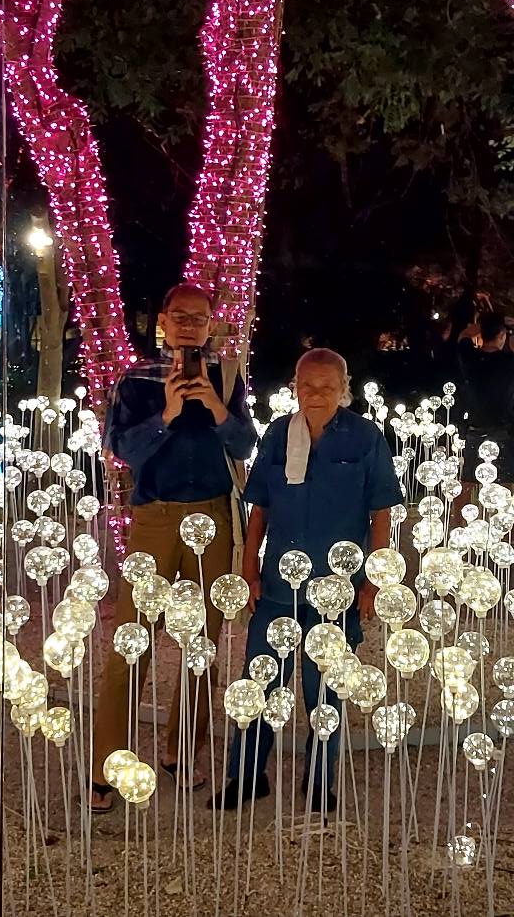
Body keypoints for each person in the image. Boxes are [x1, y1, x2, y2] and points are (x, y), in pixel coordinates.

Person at [214, 348, 403, 812]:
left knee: (326, 689)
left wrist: (374, 581)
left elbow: (381, 512)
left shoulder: (365, 438)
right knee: (260, 681)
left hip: (336, 588)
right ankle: (246, 776)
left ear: (344, 389)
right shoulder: (279, 434)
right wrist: (249, 568)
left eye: (327, 387)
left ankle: (319, 780)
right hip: (279, 587)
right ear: (294, 388)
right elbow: (259, 507)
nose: (316, 395)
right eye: (307, 386)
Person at [92, 283, 257, 810]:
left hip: (214, 517)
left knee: (201, 646)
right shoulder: (137, 379)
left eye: (199, 317)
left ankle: (181, 751)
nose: (189, 324)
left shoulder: (226, 377)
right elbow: (120, 448)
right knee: (131, 642)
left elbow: (245, 443)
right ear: (162, 321)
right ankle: (106, 765)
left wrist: (215, 407)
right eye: (180, 315)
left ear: (211, 324)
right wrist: (165, 414)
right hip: (156, 518)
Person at [458, 312, 514, 483]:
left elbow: (464, 334)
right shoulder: (509, 362)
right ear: (502, 335)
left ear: (481, 334)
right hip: (505, 432)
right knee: (505, 486)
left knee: (469, 483)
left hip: (475, 431)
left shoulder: (469, 358)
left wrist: (489, 324)